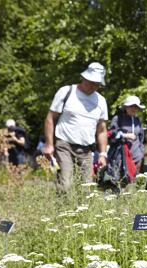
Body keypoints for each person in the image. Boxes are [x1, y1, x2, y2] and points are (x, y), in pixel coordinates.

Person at [43, 62, 109, 192]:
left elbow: (101, 130)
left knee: (87, 189)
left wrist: (102, 154)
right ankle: (61, 210)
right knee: (66, 184)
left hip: (87, 150)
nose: (94, 86)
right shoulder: (67, 92)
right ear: (84, 78)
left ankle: (79, 212)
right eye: (91, 82)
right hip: (64, 145)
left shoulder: (101, 101)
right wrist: (49, 144)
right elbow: (50, 118)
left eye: (97, 84)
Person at [107, 95, 145, 178]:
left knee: (133, 184)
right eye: (131, 106)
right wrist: (125, 135)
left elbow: (141, 138)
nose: (134, 108)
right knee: (119, 183)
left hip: (136, 158)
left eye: (136, 107)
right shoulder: (118, 119)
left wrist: (141, 153)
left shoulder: (138, 121)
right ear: (126, 107)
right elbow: (110, 134)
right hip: (120, 157)